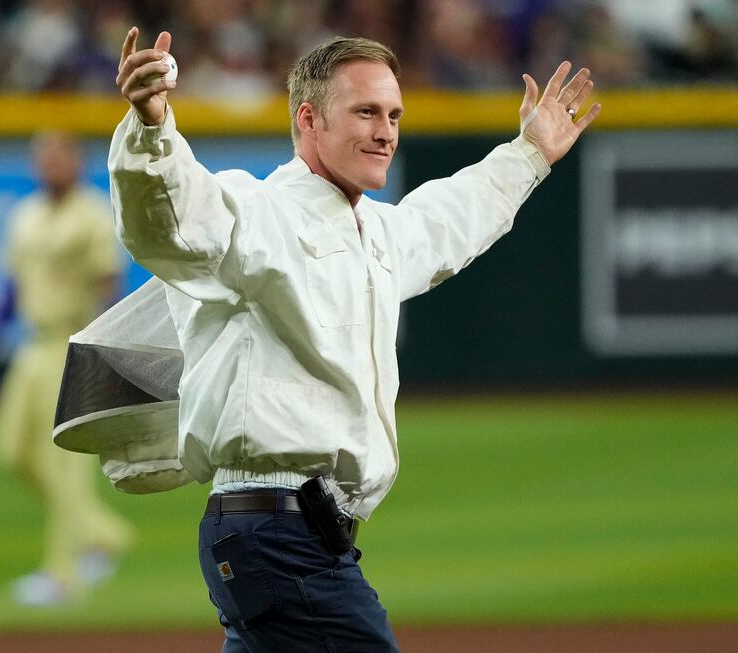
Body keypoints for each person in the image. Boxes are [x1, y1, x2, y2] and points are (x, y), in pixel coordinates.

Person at [110, 26, 599, 651]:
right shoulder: (259, 211)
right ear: (308, 119)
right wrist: (152, 130)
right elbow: (171, 219)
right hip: (278, 534)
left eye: (394, 114)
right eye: (366, 111)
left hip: (288, 536)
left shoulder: (370, 231)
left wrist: (529, 153)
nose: (386, 131)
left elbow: (447, 220)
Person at [0, 129, 134, 606]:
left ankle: (63, 576)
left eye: (60, 157)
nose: (50, 165)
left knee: (65, 465)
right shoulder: (26, 215)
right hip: (32, 347)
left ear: (78, 162)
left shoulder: (92, 215)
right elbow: (11, 288)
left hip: (73, 344)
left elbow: (108, 288)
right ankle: (103, 533)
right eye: (43, 158)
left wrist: (107, 355)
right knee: (12, 453)